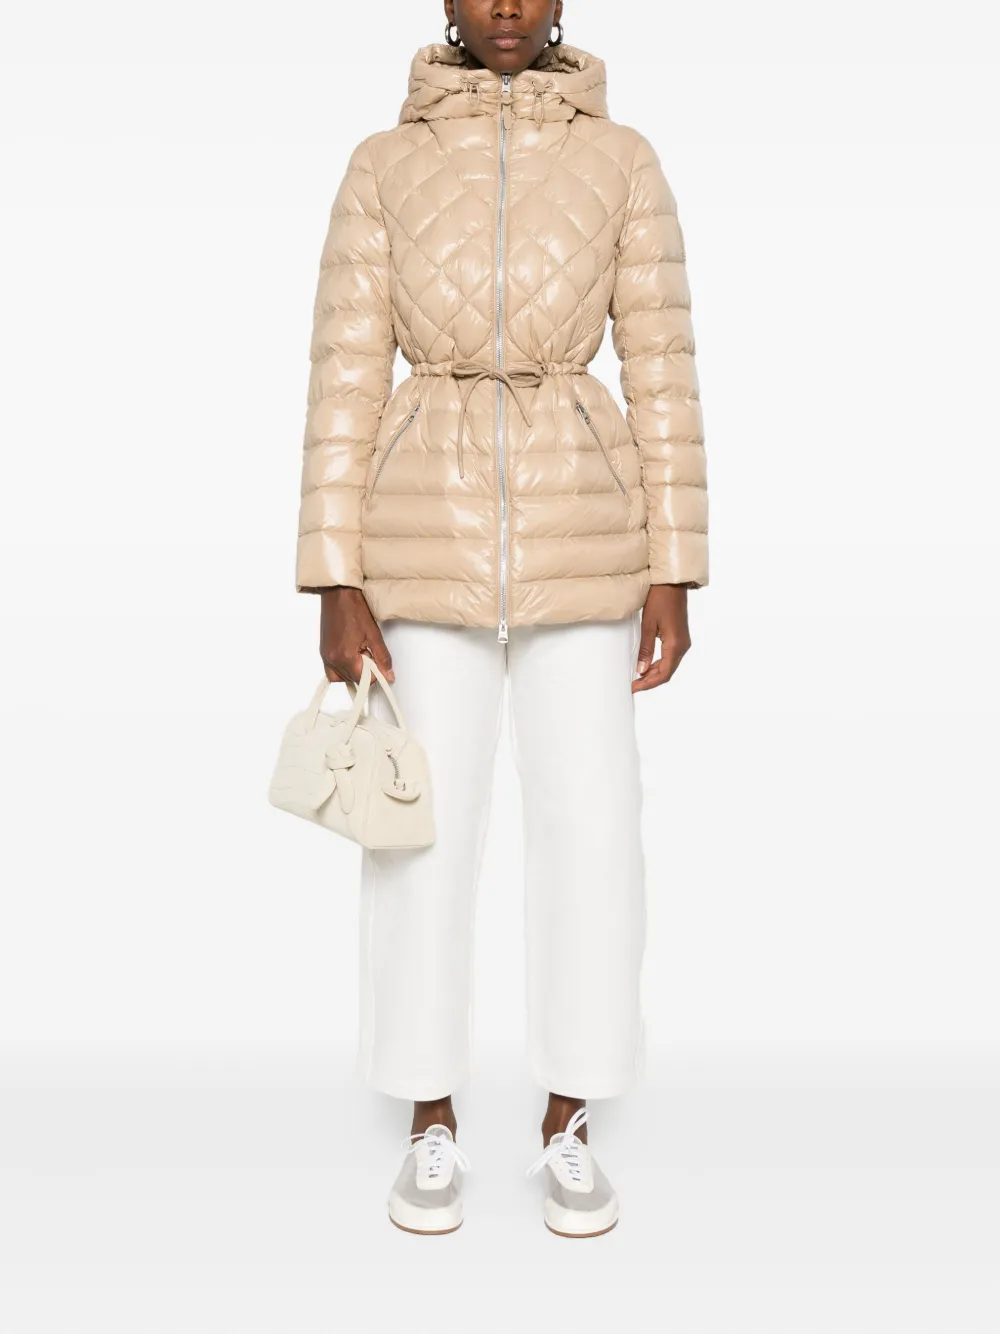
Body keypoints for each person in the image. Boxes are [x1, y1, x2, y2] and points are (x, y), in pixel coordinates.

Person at [294, 0, 707, 1237]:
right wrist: (334, 576)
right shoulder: (382, 163)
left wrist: (674, 566)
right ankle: (429, 1115)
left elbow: (664, 366)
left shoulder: (621, 158)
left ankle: (569, 1116)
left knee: (593, 827)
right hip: (419, 528)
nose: (509, 7)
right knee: (416, 833)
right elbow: (344, 371)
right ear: (447, 3)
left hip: (587, 526)